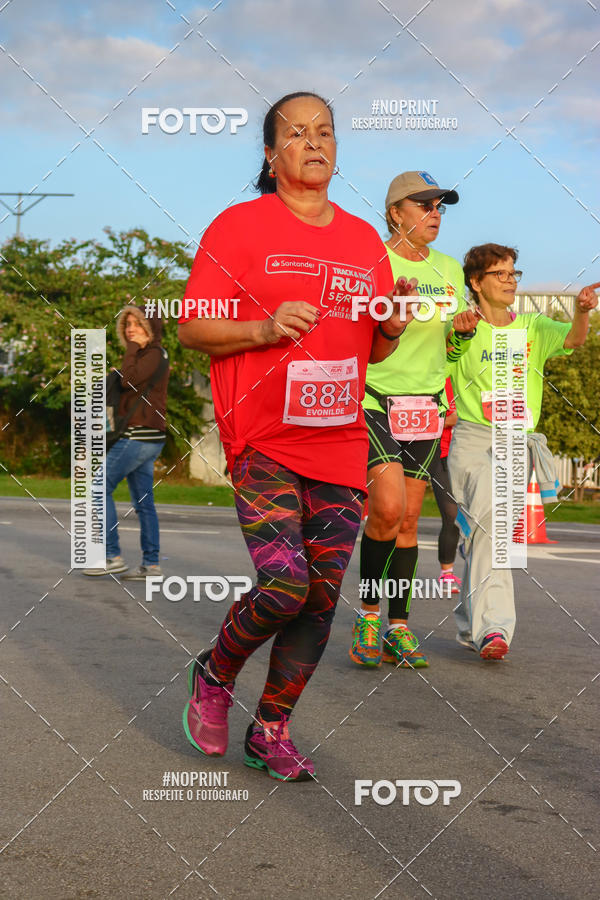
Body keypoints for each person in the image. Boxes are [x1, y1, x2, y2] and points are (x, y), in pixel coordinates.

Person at [178, 91, 414, 781]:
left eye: (326, 132)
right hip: (263, 436)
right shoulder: (238, 227)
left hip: (339, 441)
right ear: (269, 152)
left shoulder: (365, 243)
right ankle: (216, 673)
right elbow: (192, 327)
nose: (315, 143)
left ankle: (271, 730)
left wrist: (392, 327)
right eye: (298, 132)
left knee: (320, 597)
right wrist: (261, 327)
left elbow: (375, 354)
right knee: (284, 585)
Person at [349, 171, 478, 670]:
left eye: (440, 207)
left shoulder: (449, 270)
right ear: (394, 211)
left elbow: (449, 350)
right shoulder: (372, 261)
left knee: (406, 521)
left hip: (425, 406)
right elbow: (360, 337)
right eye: (423, 205)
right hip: (375, 397)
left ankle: (397, 628)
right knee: (384, 509)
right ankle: (366, 614)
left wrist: (463, 334)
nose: (434, 214)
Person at [447, 243, 599, 660]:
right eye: (501, 274)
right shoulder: (460, 326)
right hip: (474, 439)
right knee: (490, 532)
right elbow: (444, 362)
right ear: (476, 283)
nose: (512, 280)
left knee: (489, 534)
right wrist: (458, 336)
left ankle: (477, 626)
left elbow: (574, 338)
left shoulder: (532, 326)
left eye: (514, 273)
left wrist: (583, 310)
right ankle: (490, 626)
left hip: (516, 441)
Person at [83, 305, 169, 579]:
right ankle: (151, 565)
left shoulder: (154, 353)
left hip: (138, 437)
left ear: (151, 328)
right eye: (128, 324)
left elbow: (130, 381)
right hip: (148, 437)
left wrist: (130, 351)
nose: (131, 329)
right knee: (144, 502)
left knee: (98, 486)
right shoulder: (149, 356)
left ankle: (112, 556)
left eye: (138, 324)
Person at [429, 377, 461, 594]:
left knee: (453, 514)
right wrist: (451, 419)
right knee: (401, 513)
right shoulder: (439, 377)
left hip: (453, 455)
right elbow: (449, 417)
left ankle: (446, 573)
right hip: (427, 450)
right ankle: (388, 565)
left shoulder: (464, 378)